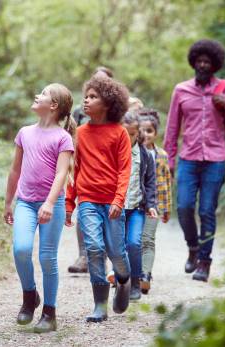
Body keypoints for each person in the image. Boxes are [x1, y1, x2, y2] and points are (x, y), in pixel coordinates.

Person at [164, 39, 225, 282]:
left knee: (207, 211)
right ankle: (192, 247)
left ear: (214, 65)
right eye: (199, 61)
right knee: (183, 207)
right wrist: (168, 161)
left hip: (215, 159)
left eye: (208, 62)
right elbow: (172, 128)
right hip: (188, 159)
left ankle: (204, 261)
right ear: (194, 62)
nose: (203, 65)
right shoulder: (181, 90)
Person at [4, 83, 75, 333]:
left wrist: (50, 202)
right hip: (25, 201)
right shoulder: (25, 132)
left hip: (50, 206)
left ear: (53, 106)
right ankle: (30, 296)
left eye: (43, 94)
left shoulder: (63, 138)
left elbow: (61, 174)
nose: (37, 96)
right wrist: (8, 202)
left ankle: (49, 313)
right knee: (21, 249)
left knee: (47, 258)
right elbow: (15, 170)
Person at [65, 74, 132, 323]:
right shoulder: (80, 133)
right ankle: (100, 305)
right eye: (86, 96)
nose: (86, 100)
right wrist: (70, 203)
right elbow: (75, 169)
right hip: (88, 201)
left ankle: (124, 280)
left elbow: (125, 169)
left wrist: (118, 199)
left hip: (112, 202)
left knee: (116, 252)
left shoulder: (119, 133)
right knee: (94, 249)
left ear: (108, 104)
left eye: (93, 97)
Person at [68, 66, 114, 273]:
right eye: (94, 80)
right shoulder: (80, 111)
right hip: (84, 166)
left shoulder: (115, 111)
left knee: (104, 213)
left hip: (106, 168)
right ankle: (83, 256)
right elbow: (71, 137)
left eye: (103, 81)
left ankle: (100, 257)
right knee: (84, 209)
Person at [120, 111, 158, 301]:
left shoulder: (145, 155)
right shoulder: (113, 152)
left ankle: (136, 282)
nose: (128, 137)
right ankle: (122, 281)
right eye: (125, 133)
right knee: (117, 247)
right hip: (116, 209)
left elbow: (150, 182)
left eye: (133, 134)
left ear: (138, 134)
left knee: (134, 243)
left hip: (136, 208)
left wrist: (151, 204)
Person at [138, 108, 172, 294]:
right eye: (142, 130)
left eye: (149, 131)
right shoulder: (133, 152)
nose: (146, 134)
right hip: (135, 204)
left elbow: (166, 182)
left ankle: (145, 274)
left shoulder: (162, 155)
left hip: (155, 206)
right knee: (134, 240)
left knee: (148, 240)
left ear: (156, 133)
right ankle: (128, 274)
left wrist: (166, 208)